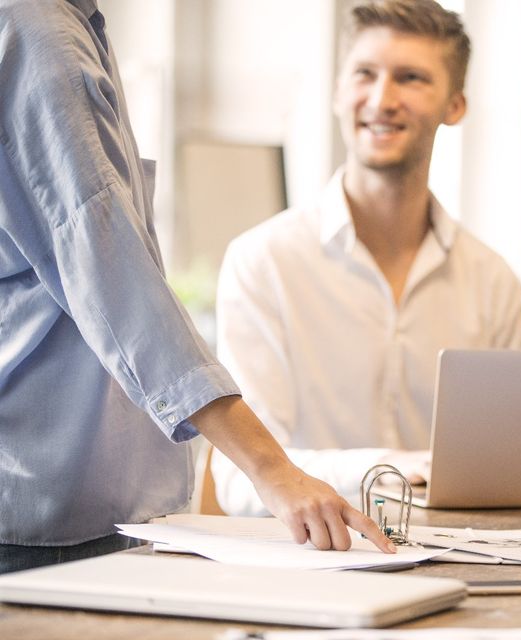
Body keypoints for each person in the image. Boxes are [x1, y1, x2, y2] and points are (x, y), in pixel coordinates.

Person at [0, 0, 394, 575]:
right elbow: (112, 271)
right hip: (51, 510)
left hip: (82, 503)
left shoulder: (74, 29)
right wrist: (273, 470)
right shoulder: (40, 34)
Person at [211, 0, 521, 515]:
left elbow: (512, 466)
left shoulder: (492, 280)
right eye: (364, 74)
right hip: (307, 565)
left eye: (410, 78)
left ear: (455, 106)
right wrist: (392, 468)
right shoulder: (263, 262)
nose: (382, 99)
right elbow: (241, 482)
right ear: (339, 92)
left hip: (453, 561)